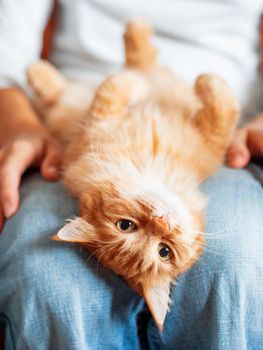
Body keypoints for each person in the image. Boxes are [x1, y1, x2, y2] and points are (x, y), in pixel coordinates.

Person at [0, 1, 263, 349]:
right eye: (165, 250)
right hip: (85, 86)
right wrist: (16, 120)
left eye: (128, 227)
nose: (160, 221)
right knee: (44, 280)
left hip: (227, 113)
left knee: (236, 268)